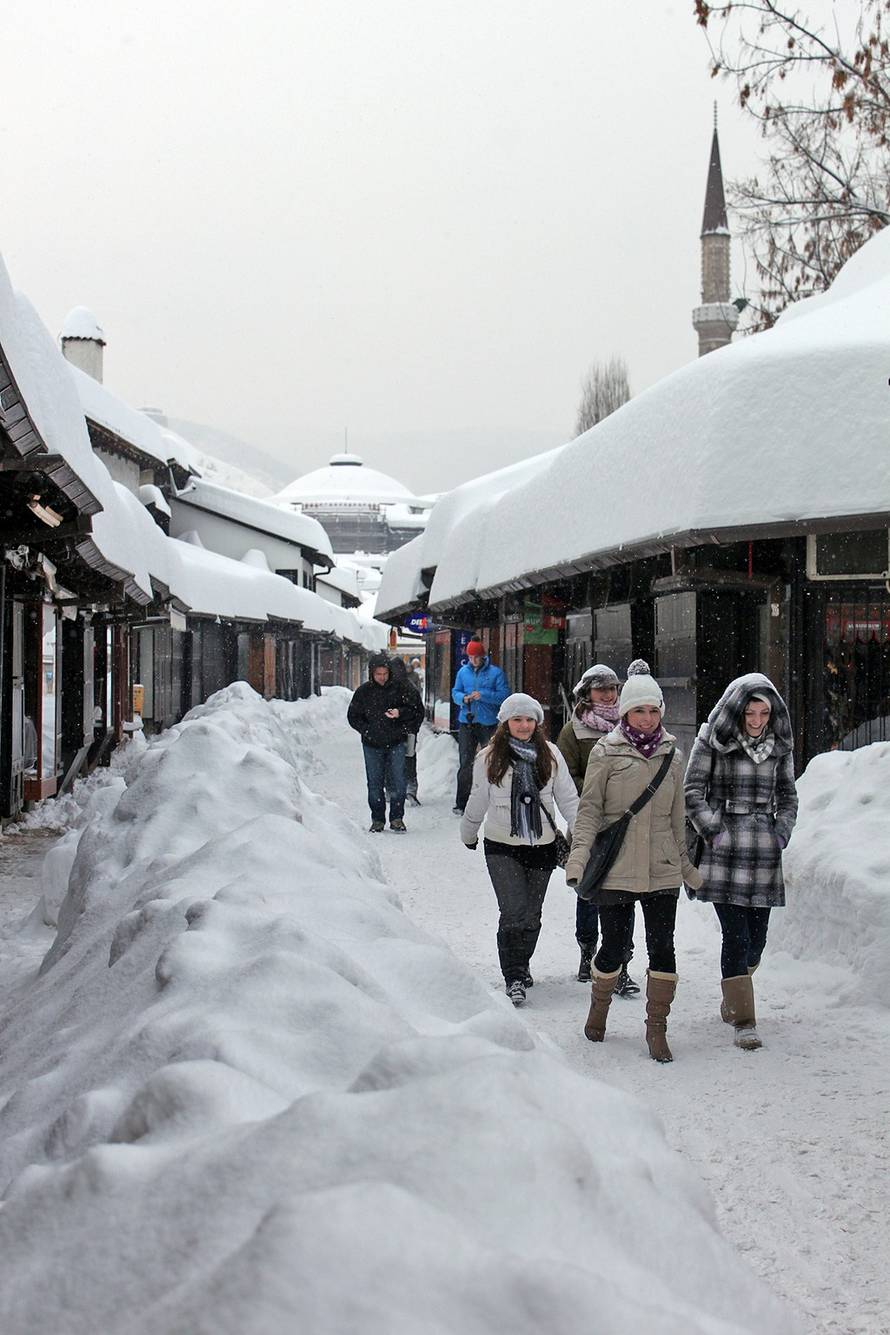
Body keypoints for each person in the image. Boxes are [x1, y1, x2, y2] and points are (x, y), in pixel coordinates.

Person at [565, 662, 703, 1062]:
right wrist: (579, 859)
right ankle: (599, 1006)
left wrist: (687, 868)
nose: (647, 718)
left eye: (654, 710)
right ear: (625, 713)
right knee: (614, 948)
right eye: (639, 710)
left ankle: (656, 1028)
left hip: (661, 869)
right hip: (617, 869)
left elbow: (678, 820)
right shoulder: (605, 753)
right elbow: (590, 811)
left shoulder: (673, 756)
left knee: (663, 947)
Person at [684, 673, 799, 1051]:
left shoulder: (780, 745)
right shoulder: (712, 740)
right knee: (735, 936)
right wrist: (713, 831)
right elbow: (693, 791)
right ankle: (744, 1019)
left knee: (757, 941)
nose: (756, 720)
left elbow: (788, 794)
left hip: (764, 850)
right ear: (737, 709)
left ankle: (734, 993)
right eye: (750, 712)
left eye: (763, 713)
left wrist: (781, 832)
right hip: (725, 850)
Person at [460, 693, 578, 1006]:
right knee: (512, 911)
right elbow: (478, 798)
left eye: (529, 720)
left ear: (537, 723)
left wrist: (581, 832)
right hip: (502, 845)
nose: (524, 725)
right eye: (517, 719)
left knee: (532, 915)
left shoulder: (550, 755)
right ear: (505, 723)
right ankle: (513, 975)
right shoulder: (489, 757)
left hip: (542, 846)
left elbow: (567, 798)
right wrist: (468, 832)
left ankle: (522, 962)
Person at [556, 663, 639, 995]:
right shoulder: (573, 732)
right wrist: (599, 788)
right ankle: (587, 950)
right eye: (601, 688)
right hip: (589, 821)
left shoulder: (632, 724)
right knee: (589, 891)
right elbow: (563, 776)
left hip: (627, 824)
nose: (607, 694)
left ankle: (620, 964)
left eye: (612, 688)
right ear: (587, 693)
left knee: (625, 895)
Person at [347, 653, 424, 832]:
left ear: (389, 673)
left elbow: (414, 710)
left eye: (384, 674)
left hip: (396, 742)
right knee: (374, 783)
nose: (382, 677)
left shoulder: (400, 689)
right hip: (371, 745)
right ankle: (377, 819)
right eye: (378, 674)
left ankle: (397, 818)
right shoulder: (363, 692)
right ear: (372, 674)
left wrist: (399, 713)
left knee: (398, 781)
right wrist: (366, 730)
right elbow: (353, 716)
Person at [451, 639, 510, 814]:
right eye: (470, 657)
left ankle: (493, 800)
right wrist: (463, 698)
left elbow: (504, 695)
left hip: (488, 722)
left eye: (476, 657)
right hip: (466, 721)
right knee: (465, 762)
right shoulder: (463, 672)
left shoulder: (495, 673)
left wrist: (482, 695)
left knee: (492, 761)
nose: (473, 660)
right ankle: (461, 802)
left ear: (483, 656)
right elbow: (455, 692)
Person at [389, 657, 424, 806]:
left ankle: (393, 789)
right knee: (408, 759)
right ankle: (409, 788)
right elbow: (419, 712)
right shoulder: (410, 687)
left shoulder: (392, 689)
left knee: (392, 760)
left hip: (402, 731)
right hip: (408, 732)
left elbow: (418, 712)